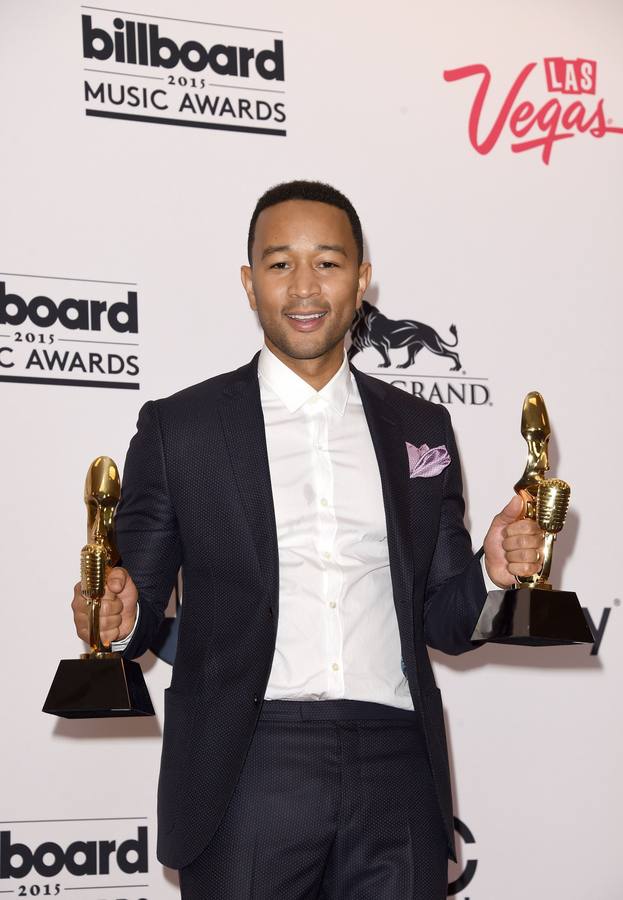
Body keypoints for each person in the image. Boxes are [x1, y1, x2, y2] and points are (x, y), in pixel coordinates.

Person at [72, 180, 543, 899]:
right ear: (248, 282)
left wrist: (491, 571)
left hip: (397, 765)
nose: (303, 287)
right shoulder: (182, 429)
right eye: (278, 263)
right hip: (246, 766)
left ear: (361, 279)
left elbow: (447, 622)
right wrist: (115, 613)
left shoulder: (421, 430)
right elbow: (135, 607)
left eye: (326, 262)